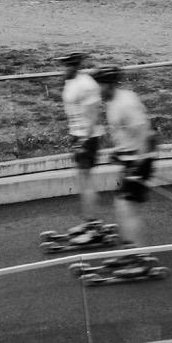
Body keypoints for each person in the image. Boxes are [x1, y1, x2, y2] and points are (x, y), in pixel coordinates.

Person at [93, 64, 159, 276]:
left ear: (110, 84)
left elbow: (149, 136)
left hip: (140, 162)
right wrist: (119, 152)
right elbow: (128, 136)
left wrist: (139, 168)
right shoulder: (113, 101)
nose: (97, 90)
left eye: (100, 85)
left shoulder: (125, 104)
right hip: (131, 160)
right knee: (122, 206)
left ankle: (139, 259)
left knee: (127, 208)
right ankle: (131, 252)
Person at [58, 51, 108, 243]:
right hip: (77, 136)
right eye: (64, 65)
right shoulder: (71, 81)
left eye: (68, 65)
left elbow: (93, 115)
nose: (64, 68)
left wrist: (83, 141)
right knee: (81, 181)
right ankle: (89, 222)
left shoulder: (85, 84)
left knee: (85, 182)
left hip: (87, 138)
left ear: (75, 65)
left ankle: (93, 227)